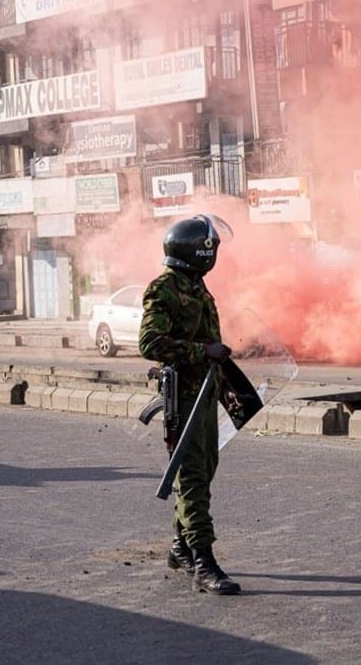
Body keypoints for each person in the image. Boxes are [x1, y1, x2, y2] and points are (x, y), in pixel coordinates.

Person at [138, 214, 240, 596]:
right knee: (193, 479)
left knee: (203, 471)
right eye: (209, 247)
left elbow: (211, 345)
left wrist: (226, 377)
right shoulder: (164, 287)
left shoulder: (196, 286)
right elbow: (150, 344)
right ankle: (203, 561)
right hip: (184, 398)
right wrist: (203, 351)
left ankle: (180, 547)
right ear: (197, 251)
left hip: (206, 396)